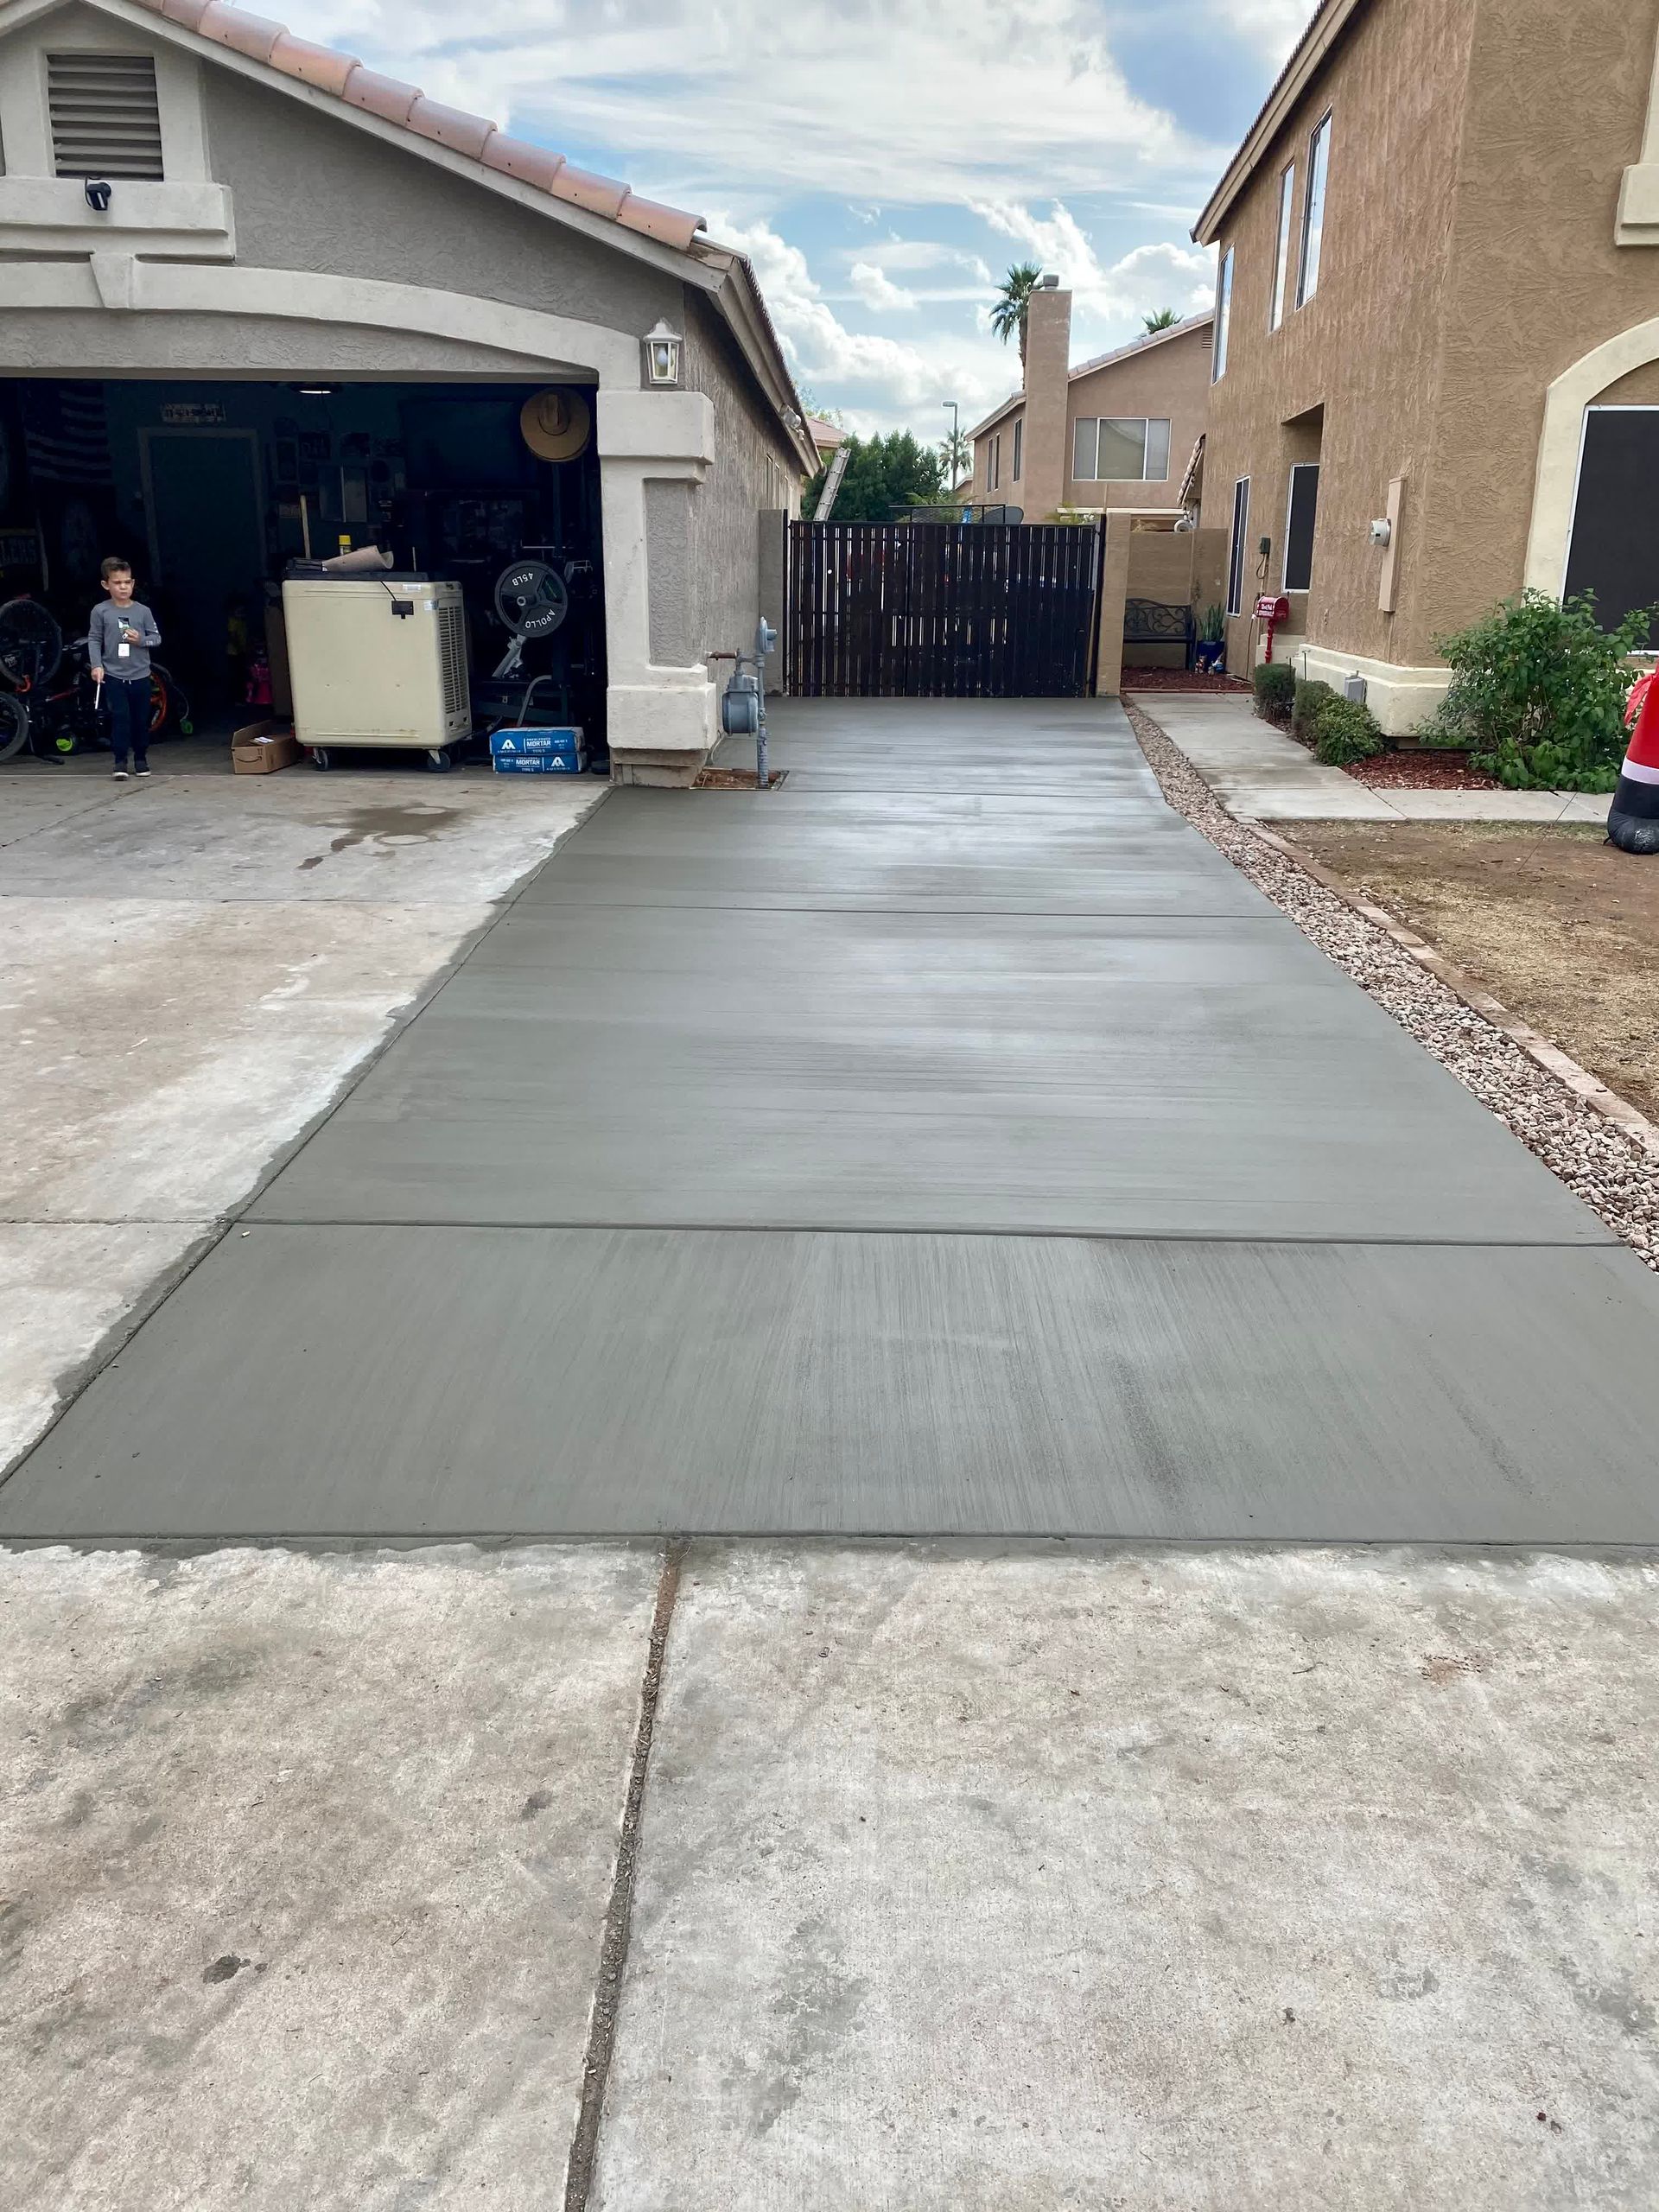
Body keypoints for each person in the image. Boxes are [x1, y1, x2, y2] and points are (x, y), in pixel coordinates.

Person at [88, 556, 161, 780]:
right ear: (106, 585)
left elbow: (156, 638)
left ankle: (141, 757)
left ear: (133, 583)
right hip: (114, 674)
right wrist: (97, 665)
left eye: (127, 582)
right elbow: (94, 638)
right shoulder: (100, 611)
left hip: (140, 674)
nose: (123, 587)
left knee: (140, 718)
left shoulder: (143, 611)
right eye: (117, 582)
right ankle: (120, 760)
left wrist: (141, 641)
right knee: (120, 717)